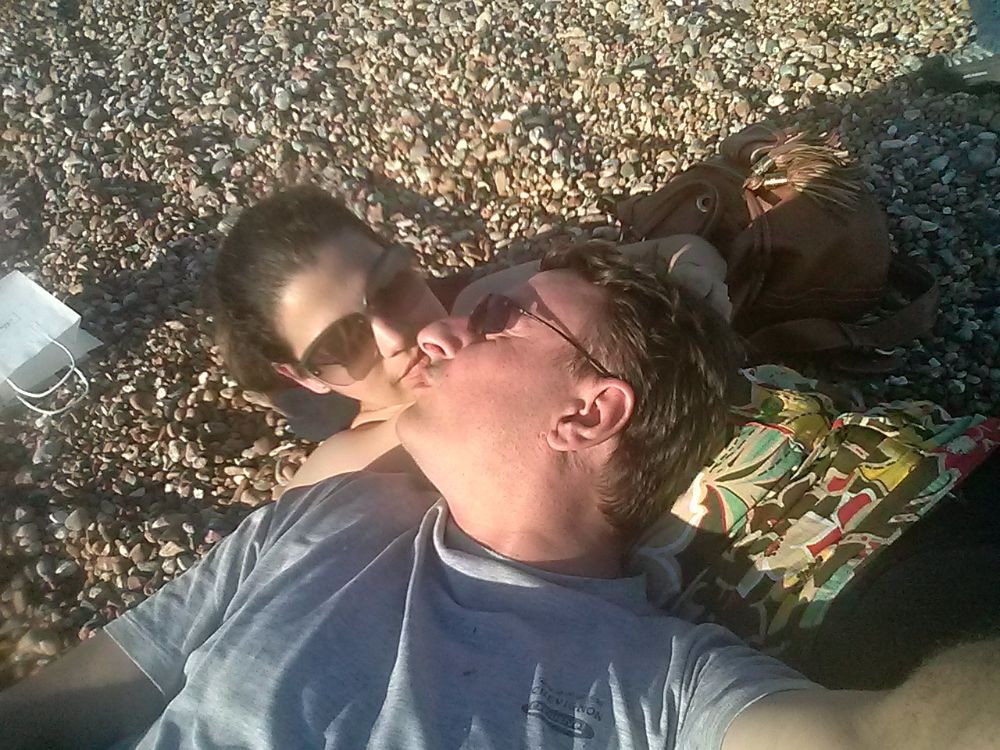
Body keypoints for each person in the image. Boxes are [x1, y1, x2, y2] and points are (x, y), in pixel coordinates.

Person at [1, 244, 995, 749]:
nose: (428, 334)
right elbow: (63, 709)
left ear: (588, 413)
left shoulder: (662, 682)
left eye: (497, 319)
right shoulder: (320, 518)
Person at [210, 185, 733, 487]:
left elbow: (676, 250)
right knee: (302, 414)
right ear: (304, 373)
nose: (394, 338)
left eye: (390, 288)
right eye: (340, 344)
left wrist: (694, 290)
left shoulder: (492, 307)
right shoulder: (345, 471)